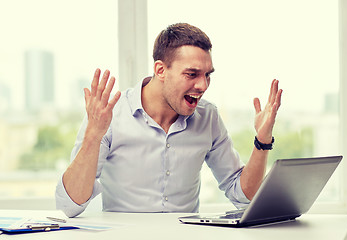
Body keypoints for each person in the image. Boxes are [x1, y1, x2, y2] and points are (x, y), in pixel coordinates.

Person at [55, 23, 282, 218]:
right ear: (161, 70)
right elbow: (69, 206)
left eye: (207, 75)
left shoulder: (208, 117)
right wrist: (93, 135)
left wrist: (262, 141)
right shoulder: (109, 115)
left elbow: (243, 197)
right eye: (192, 74)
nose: (203, 86)